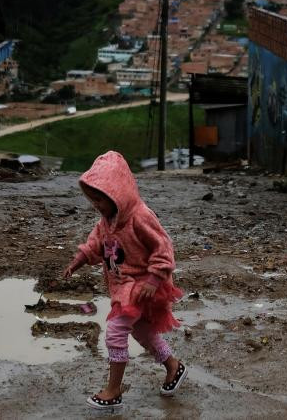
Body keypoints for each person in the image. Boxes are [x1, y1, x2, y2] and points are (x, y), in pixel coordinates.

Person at [62, 150, 187, 411]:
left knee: (116, 330)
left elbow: (163, 247)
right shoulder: (107, 221)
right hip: (124, 286)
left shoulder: (140, 216)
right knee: (142, 332)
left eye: (100, 198)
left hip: (142, 285)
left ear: (117, 194)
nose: (96, 204)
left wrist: (153, 280)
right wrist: (79, 260)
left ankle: (113, 390)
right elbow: (96, 243)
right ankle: (173, 366)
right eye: (92, 198)